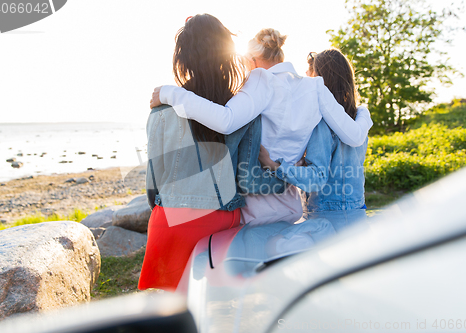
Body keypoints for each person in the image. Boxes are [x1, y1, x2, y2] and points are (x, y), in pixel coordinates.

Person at [150, 28, 373, 226]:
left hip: (254, 202)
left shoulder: (260, 79)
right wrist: (364, 113)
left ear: (252, 60)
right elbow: (354, 136)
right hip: (290, 200)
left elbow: (226, 121)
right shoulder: (316, 86)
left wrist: (172, 93)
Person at [139, 14, 285, 292]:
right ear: (226, 56)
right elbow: (248, 181)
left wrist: (168, 208)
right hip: (219, 223)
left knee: (170, 313)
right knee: (219, 310)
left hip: (168, 221)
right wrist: (288, 177)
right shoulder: (241, 109)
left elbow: (152, 183)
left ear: (182, 60)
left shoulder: (159, 109)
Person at [259, 48, 370, 232]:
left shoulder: (322, 123)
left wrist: (275, 166)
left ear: (322, 79)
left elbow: (317, 180)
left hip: (328, 219)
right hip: (357, 211)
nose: (305, 76)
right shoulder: (358, 117)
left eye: (310, 73)